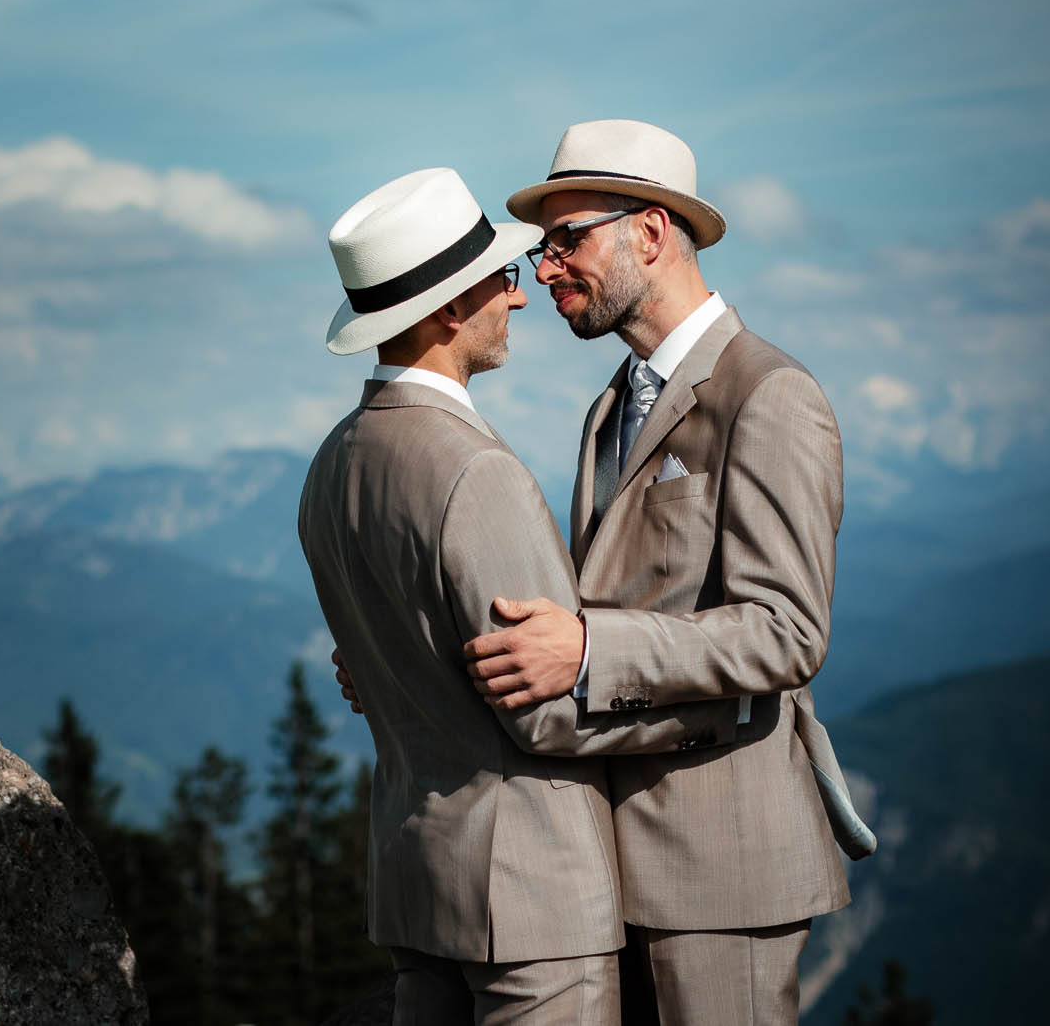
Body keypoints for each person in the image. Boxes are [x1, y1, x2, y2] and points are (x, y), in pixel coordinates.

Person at [299, 166, 747, 1026]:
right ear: (443, 310)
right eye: (499, 281)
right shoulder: (476, 471)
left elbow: (391, 667)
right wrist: (720, 708)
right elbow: (547, 709)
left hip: (413, 881)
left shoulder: (332, 467)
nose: (519, 298)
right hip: (528, 898)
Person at [460, 119, 871, 1026]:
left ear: (649, 232)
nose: (545, 268)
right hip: (611, 864)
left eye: (566, 239)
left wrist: (586, 652)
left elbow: (788, 632)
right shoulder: (611, 407)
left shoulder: (769, 394)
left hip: (726, 872)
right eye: (542, 247)